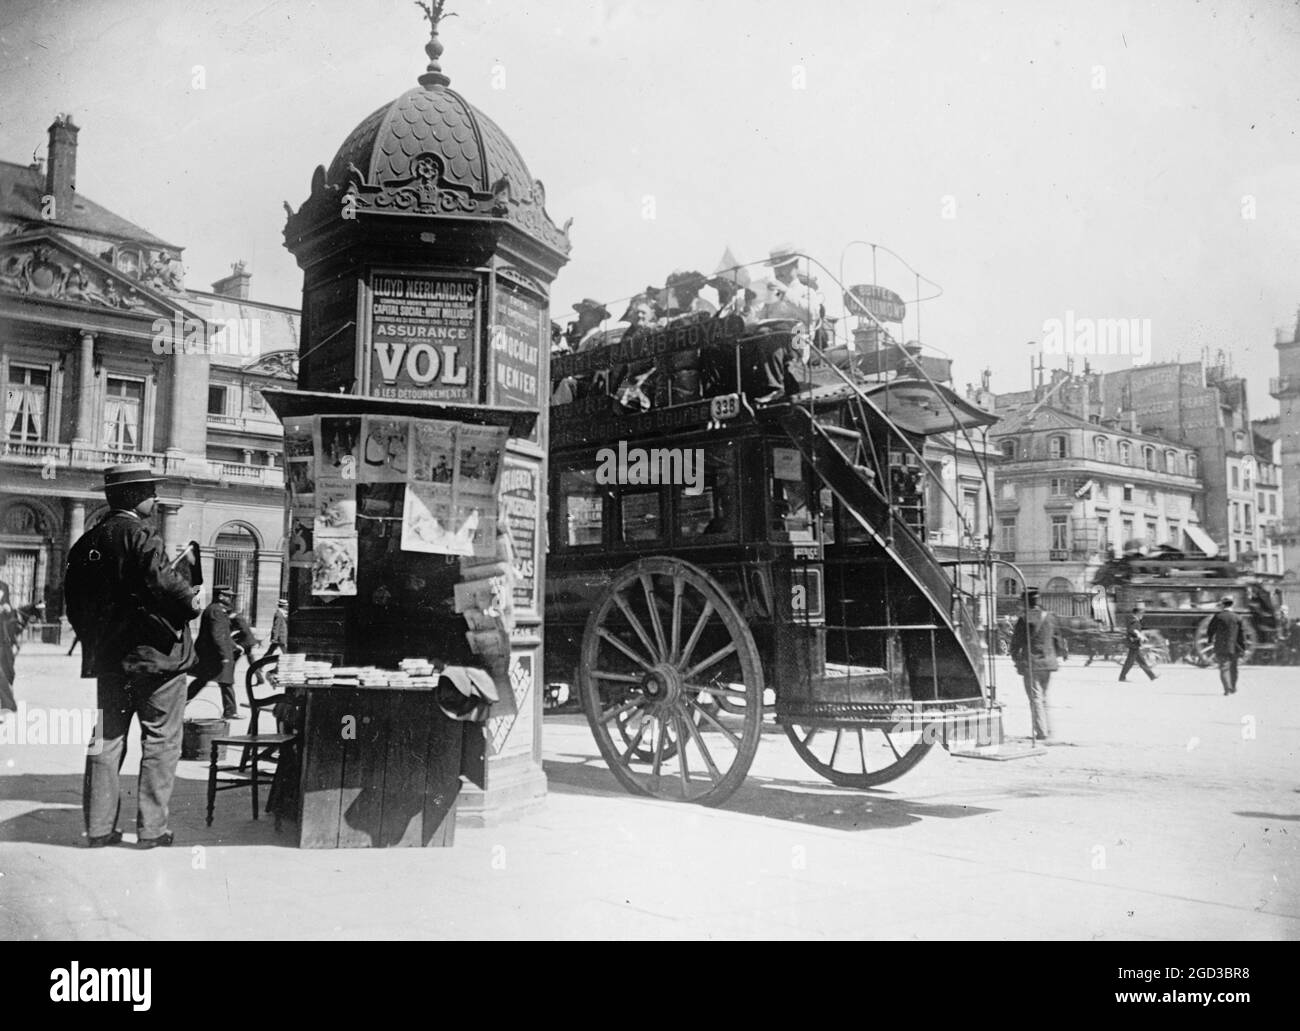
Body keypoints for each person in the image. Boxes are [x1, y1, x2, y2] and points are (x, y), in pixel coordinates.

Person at [65, 463, 202, 848]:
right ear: (134, 497)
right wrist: (191, 601)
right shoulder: (142, 536)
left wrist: (97, 641)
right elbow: (166, 587)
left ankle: (97, 828)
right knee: (160, 741)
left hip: (111, 661)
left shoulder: (87, 542)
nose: (156, 498)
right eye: (151, 492)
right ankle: (152, 829)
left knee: (105, 741)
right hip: (157, 660)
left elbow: (75, 604)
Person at [189, 586, 256, 719]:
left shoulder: (217, 610)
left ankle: (230, 711)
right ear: (220, 596)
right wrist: (225, 655)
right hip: (214, 655)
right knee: (221, 681)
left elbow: (225, 634)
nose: (230, 598)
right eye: (228, 595)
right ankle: (230, 711)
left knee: (214, 681)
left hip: (213, 654)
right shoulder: (216, 611)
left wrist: (235, 646)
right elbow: (218, 636)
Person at [1009, 587, 1062, 742]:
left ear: (1025, 603)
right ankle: (1047, 729)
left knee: (1035, 698)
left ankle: (1041, 732)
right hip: (1048, 663)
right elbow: (1058, 640)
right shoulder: (1051, 617)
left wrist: (1016, 660)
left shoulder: (1024, 619)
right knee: (1042, 697)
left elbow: (1015, 644)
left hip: (1032, 663)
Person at [1207, 595, 1247, 695]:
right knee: (1234, 668)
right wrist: (1243, 648)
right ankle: (1233, 687)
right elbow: (1242, 634)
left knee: (1224, 668)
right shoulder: (1238, 617)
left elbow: (1210, 630)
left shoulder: (1218, 616)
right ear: (1232, 604)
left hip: (1221, 646)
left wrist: (1210, 640)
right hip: (1235, 647)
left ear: (1222, 605)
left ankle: (1227, 689)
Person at [1118, 602, 1159, 682]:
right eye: (1141, 614)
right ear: (1137, 613)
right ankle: (1122, 677)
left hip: (1134, 644)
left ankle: (1152, 676)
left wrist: (1140, 635)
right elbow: (1132, 630)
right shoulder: (1134, 620)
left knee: (1141, 662)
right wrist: (1139, 635)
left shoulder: (1133, 619)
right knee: (1129, 663)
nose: (1142, 616)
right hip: (1134, 644)